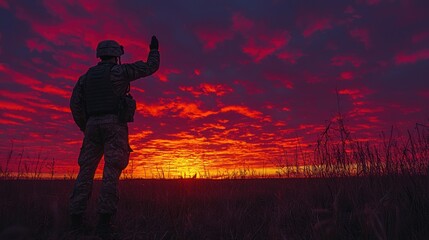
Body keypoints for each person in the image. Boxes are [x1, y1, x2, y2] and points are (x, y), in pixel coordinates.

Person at [69, 36, 160, 238]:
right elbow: (150, 67)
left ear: (100, 55)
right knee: (111, 172)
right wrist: (154, 49)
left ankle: (75, 220)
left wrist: (86, 125)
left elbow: (75, 104)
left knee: (85, 172)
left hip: (91, 126)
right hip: (114, 126)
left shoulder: (85, 77)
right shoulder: (120, 72)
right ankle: (104, 222)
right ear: (116, 55)